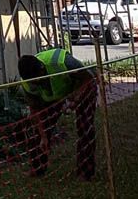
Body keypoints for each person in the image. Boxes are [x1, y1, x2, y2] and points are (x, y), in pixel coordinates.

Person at [18, 48, 98, 180]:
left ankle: (85, 173)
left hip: (81, 85)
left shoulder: (64, 63)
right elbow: (35, 111)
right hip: (54, 95)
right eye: (34, 82)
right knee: (36, 132)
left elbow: (88, 79)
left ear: (42, 69)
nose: (37, 85)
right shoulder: (27, 83)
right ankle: (37, 169)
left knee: (85, 127)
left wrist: (75, 99)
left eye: (39, 80)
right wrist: (44, 137)